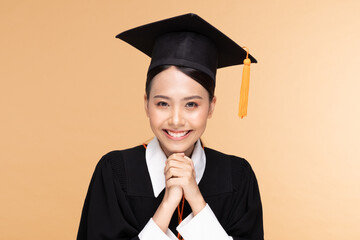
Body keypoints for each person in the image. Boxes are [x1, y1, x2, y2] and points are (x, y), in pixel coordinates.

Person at [77, 13, 263, 240]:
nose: (176, 120)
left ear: (211, 106)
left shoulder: (237, 177)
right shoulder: (115, 173)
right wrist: (167, 204)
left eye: (191, 104)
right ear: (146, 104)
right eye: (163, 103)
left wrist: (196, 198)